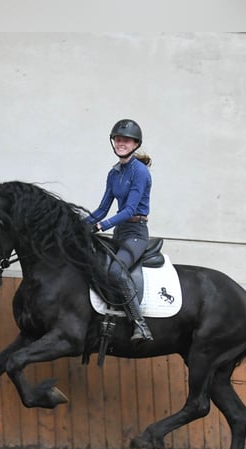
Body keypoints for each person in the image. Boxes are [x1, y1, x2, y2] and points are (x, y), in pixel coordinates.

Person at [85, 119, 154, 343]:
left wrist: (102, 226)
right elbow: (102, 209)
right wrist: (80, 225)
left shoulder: (140, 171)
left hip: (136, 233)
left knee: (116, 272)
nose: (120, 143)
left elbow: (131, 209)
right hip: (120, 233)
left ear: (135, 144)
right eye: (117, 139)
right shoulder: (114, 174)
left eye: (126, 140)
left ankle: (140, 325)